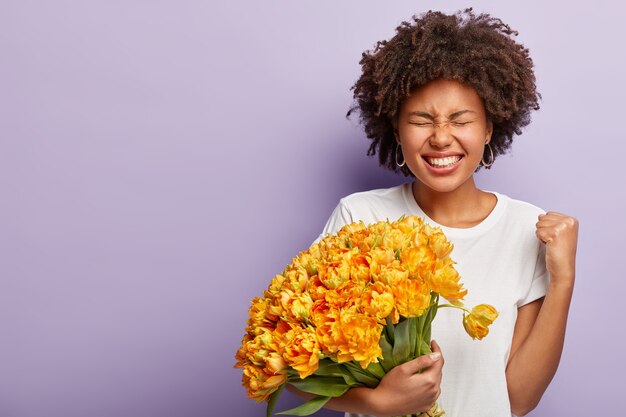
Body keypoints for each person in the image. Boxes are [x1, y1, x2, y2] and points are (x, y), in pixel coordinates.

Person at [288, 8, 578, 417]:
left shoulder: (527, 229)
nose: (441, 138)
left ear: (489, 128)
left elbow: (518, 399)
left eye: (460, 120)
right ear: (396, 130)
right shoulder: (360, 216)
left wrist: (563, 279)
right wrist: (378, 403)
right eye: (421, 121)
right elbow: (289, 362)